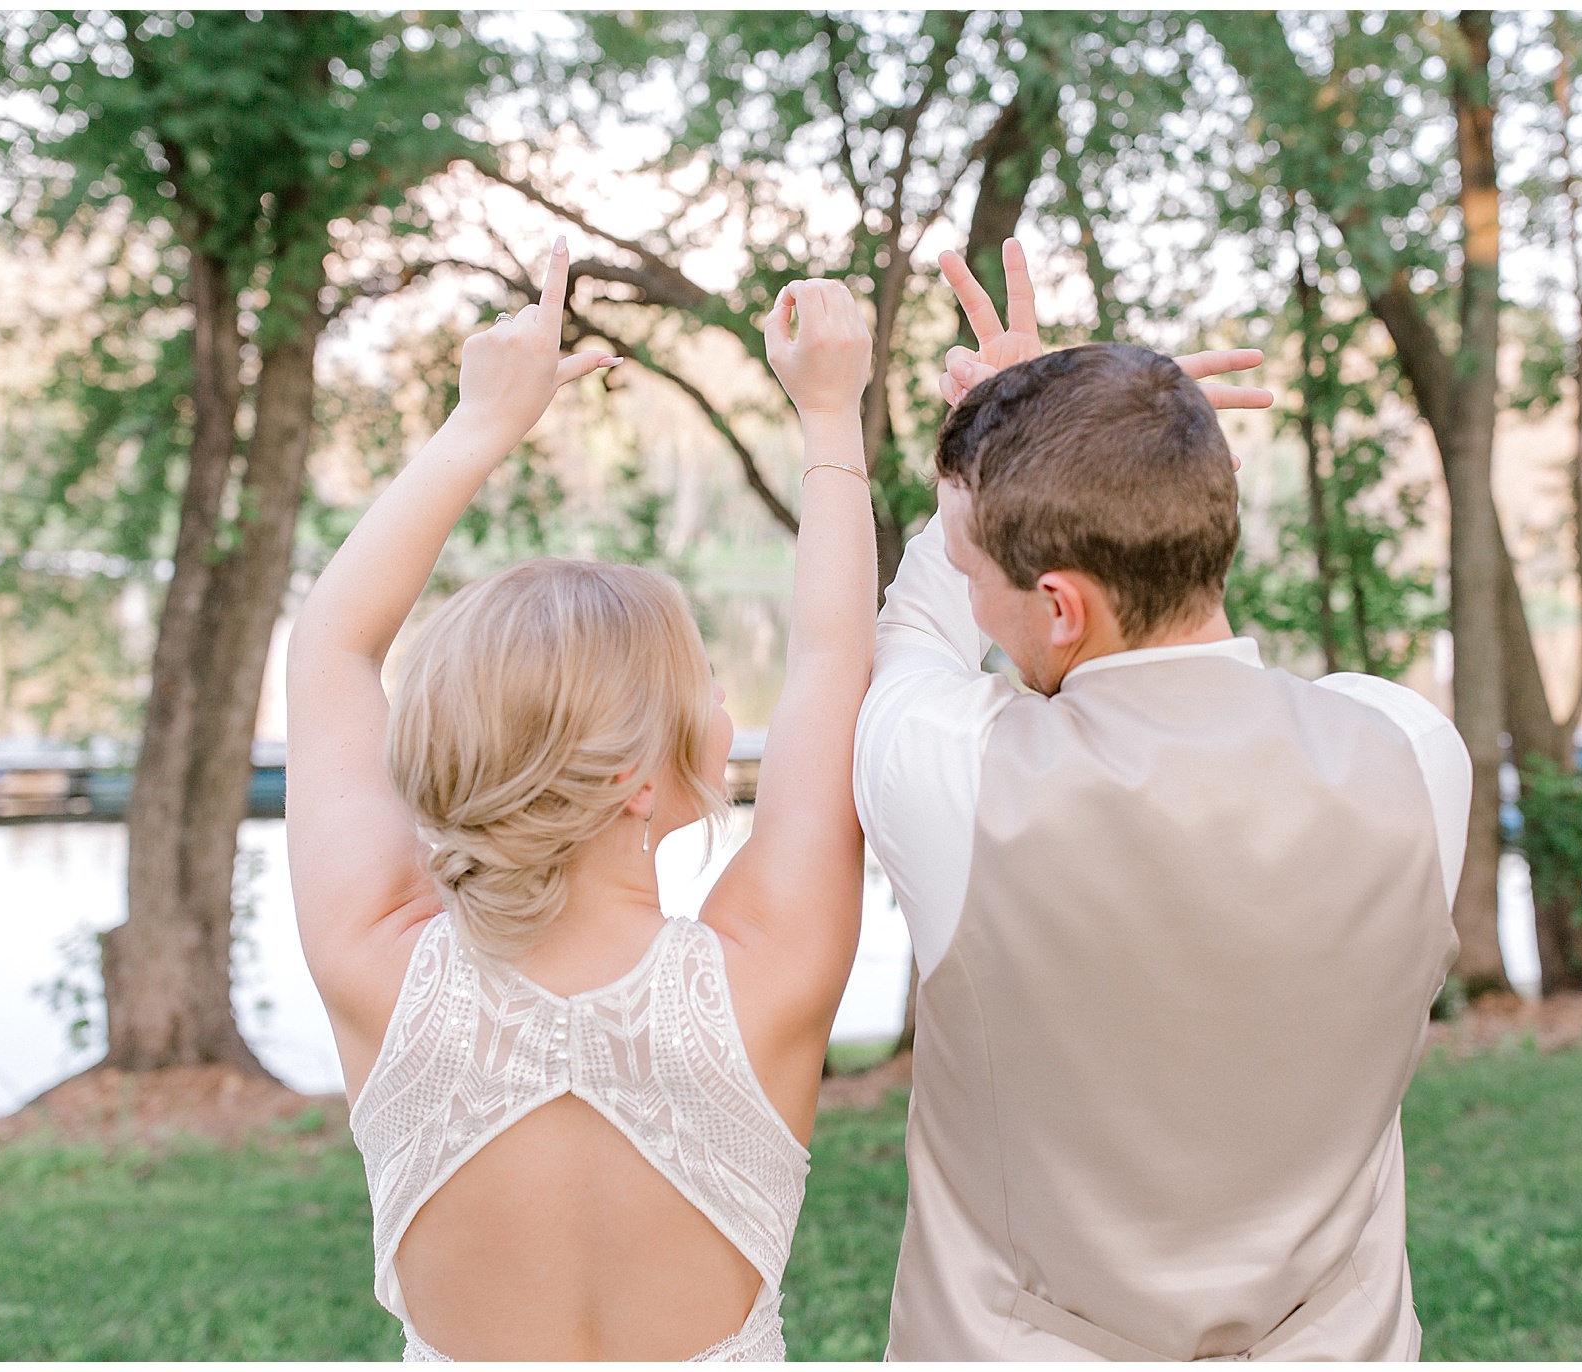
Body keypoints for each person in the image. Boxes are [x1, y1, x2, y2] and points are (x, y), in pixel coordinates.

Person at [854, 239, 1470, 1360]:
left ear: (1058, 606)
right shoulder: (1409, 749)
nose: (969, 599)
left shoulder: (955, 783)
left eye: (978, 570)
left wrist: (1015, 441)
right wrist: (1102, 442)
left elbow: (912, 632)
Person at [285, 239, 878, 1361]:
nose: (723, 700)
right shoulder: (767, 977)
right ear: (636, 781)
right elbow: (831, 661)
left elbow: (331, 643)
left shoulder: (375, 959)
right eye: (701, 682)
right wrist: (829, 417)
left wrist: (478, 425)